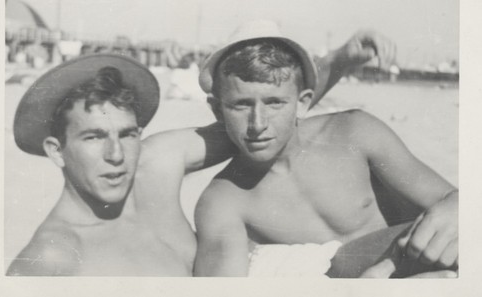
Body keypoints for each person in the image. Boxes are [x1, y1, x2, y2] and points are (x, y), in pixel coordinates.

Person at [7, 22, 396, 276]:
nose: (116, 155)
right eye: (93, 137)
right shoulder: (49, 259)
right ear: (56, 150)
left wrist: (340, 61)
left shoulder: (154, 163)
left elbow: (260, 123)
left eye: (128, 134)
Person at [193, 21, 458, 277]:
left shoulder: (354, 133)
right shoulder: (222, 202)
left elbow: (451, 201)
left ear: (303, 103)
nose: (258, 124)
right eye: (240, 105)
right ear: (217, 109)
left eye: (274, 103)